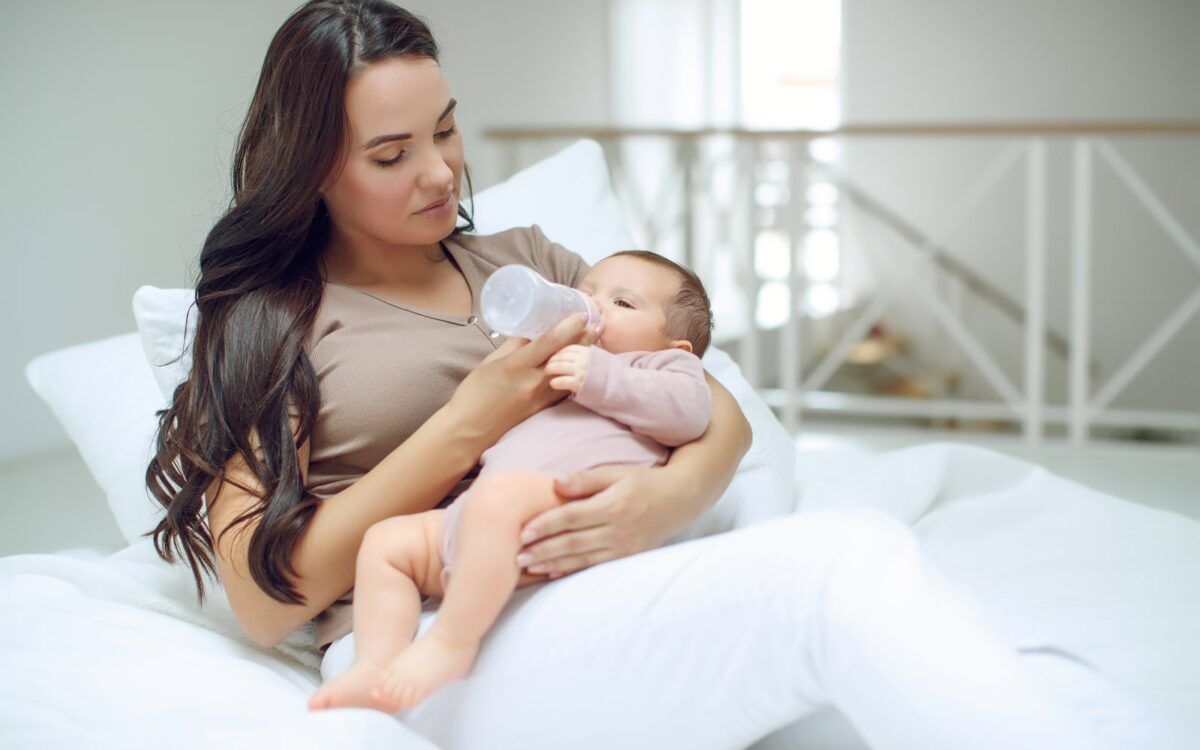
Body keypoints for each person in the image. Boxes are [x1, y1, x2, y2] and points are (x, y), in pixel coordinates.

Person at [145, 2, 1105, 748]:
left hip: (603, 581)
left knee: (868, 647)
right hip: (432, 643)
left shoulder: (521, 259)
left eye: (445, 129)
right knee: (842, 568)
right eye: (392, 154)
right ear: (312, 168)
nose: (440, 172)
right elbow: (267, 602)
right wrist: (465, 426)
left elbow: (706, 393)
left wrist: (671, 498)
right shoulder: (271, 323)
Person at [307, 250, 715, 712]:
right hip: (483, 521)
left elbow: (689, 414)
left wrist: (598, 376)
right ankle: (374, 665)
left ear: (674, 345)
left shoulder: (660, 368)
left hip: (555, 518)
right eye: (586, 292)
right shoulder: (549, 369)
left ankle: (449, 644)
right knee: (387, 542)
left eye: (623, 304)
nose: (594, 307)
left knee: (499, 497)